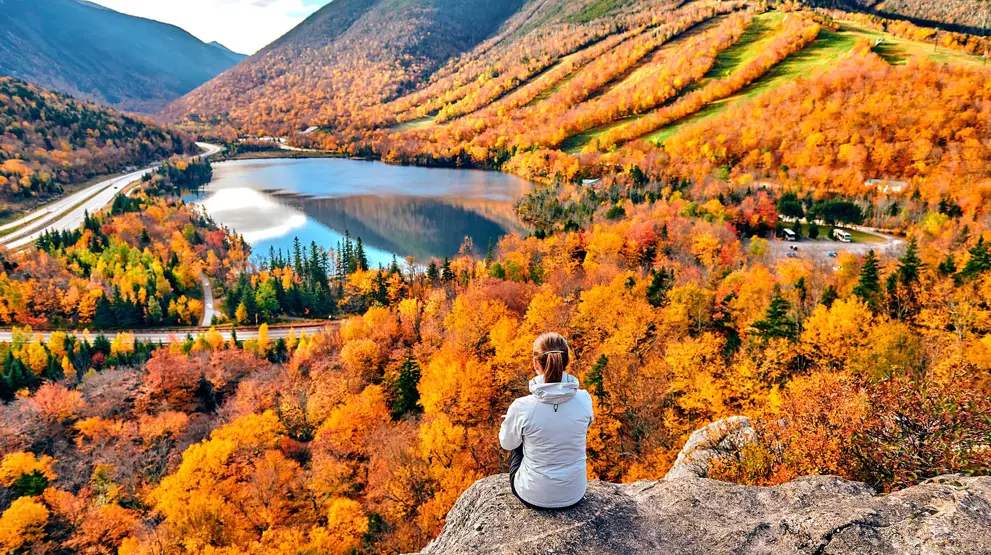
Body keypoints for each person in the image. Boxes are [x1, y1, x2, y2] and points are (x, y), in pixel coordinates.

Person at [499, 332, 594, 510]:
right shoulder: (584, 399)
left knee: (518, 440)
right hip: (575, 493)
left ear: (536, 364)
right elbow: (585, 425)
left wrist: (511, 422)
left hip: (532, 495)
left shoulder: (522, 406)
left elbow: (507, 443)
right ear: (567, 362)